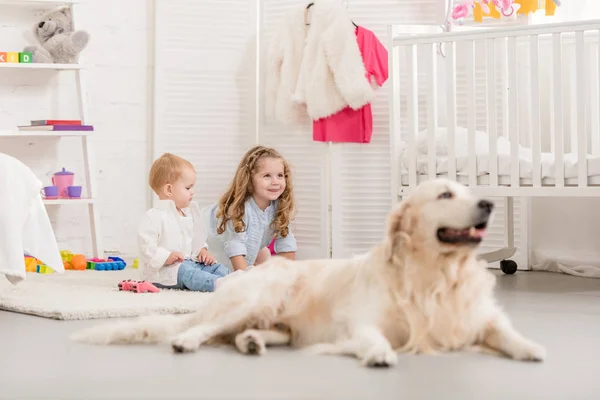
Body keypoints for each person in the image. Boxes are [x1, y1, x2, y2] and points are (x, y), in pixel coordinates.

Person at [137, 153, 231, 292]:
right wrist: (166, 257)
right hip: (165, 270)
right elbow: (146, 246)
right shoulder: (154, 216)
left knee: (217, 267)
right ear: (169, 189)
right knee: (188, 273)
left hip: (191, 262)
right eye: (188, 188)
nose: (192, 192)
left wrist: (202, 251)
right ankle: (218, 284)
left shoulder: (187, 214)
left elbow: (194, 239)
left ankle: (231, 279)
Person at [205, 145, 297, 271]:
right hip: (206, 241)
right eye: (267, 176)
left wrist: (289, 277)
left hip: (246, 246)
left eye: (280, 175)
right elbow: (235, 250)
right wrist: (246, 280)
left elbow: (286, 244)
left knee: (265, 257)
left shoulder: (278, 206)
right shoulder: (239, 209)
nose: (275, 181)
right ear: (249, 180)